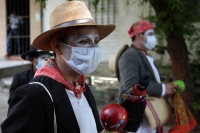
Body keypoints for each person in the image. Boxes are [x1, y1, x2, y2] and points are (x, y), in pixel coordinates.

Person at [1, 1, 115, 133]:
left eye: (96, 41)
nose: (94, 49)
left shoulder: (83, 89)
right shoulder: (33, 95)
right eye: (84, 41)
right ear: (57, 46)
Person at [117, 20, 178, 133]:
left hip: (149, 115)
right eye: (150, 34)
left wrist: (166, 87)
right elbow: (131, 85)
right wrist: (163, 88)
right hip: (138, 118)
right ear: (139, 35)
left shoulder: (143, 55)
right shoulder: (129, 55)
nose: (153, 37)